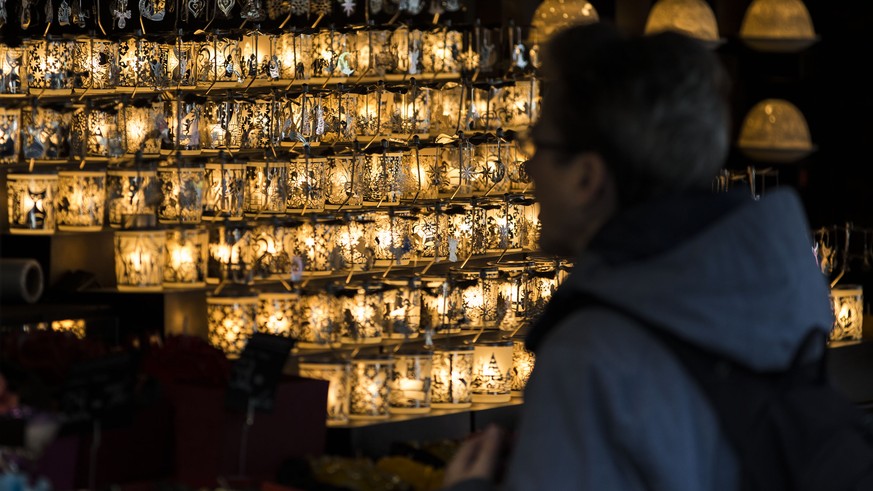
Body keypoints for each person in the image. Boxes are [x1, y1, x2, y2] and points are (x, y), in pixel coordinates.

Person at [441, 21, 834, 491]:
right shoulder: (774, 301)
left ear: (587, 178)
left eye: (538, 145)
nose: (528, 166)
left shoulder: (592, 355)